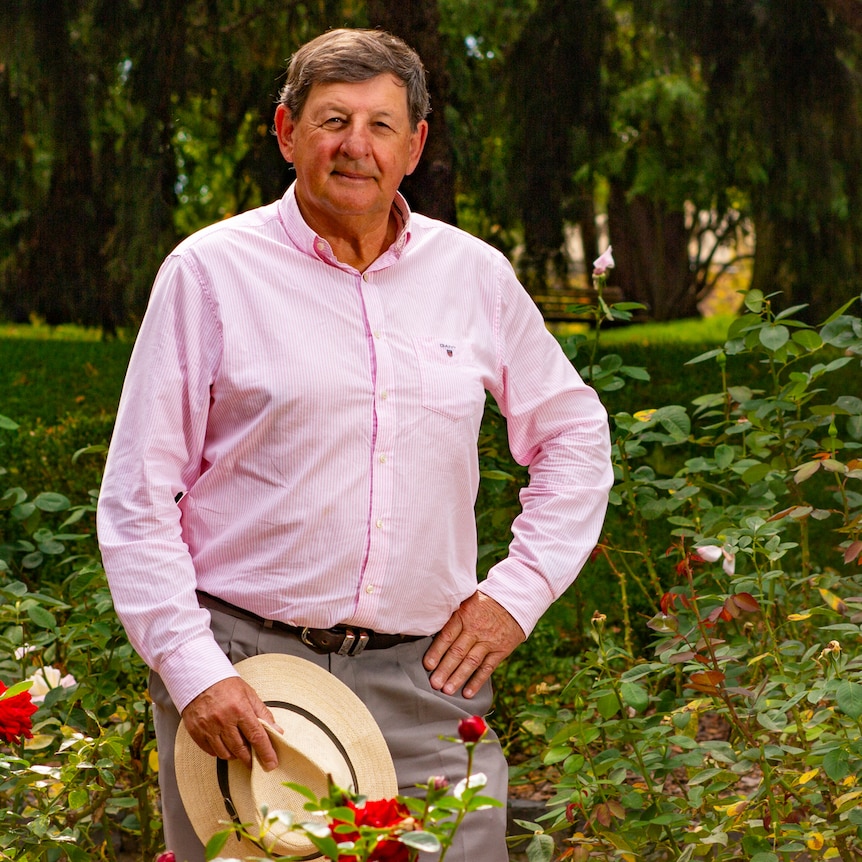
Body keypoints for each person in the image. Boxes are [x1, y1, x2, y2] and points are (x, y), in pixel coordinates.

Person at [97, 27, 612, 862]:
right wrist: (194, 671)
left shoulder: (472, 275)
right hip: (246, 685)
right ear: (285, 130)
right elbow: (137, 496)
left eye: (380, 125)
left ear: (414, 146)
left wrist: (515, 597)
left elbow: (575, 435)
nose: (355, 146)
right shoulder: (210, 273)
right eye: (333, 120)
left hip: (428, 684)